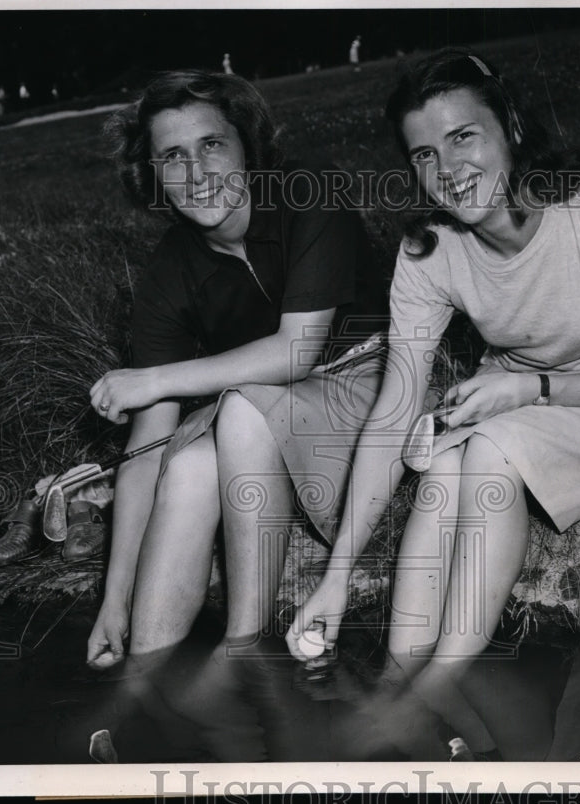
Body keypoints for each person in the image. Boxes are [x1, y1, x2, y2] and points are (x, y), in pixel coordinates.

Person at [288, 48, 580, 759]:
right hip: (520, 391)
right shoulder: (429, 252)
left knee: (492, 450)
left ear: (508, 124)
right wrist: (336, 576)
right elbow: (391, 414)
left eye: (463, 137)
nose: (446, 170)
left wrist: (530, 389)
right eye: (422, 154)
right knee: (441, 467)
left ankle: (443, 675)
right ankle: (395, 676)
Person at [85, 69, 388, 678]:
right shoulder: (170, 266)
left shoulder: (309, 192)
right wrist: (112, 598)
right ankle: (141, 675)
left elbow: (296, 353)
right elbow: (146, 446)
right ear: (153, 177)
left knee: (242, 412)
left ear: (247, 144)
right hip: (262, 403)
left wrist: (156, 379)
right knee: (189, 464)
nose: (196, 174)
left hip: (367, 378)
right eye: (173, 156)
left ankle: (242, 643)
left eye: (212, 145)